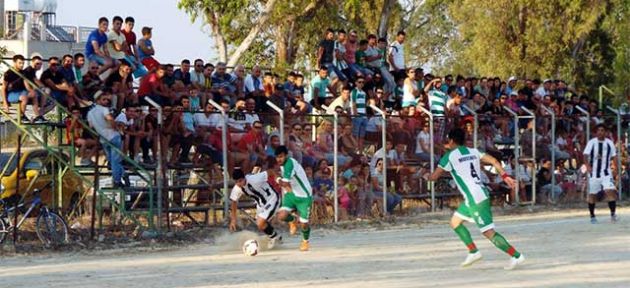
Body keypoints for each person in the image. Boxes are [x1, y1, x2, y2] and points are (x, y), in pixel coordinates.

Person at [427, 128, 525, 270]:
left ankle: (516, 256)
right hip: (477, 194)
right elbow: (494, 161)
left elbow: (434, 177)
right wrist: (505, 176)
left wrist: (425, 177)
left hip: (474, 198)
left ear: (451, 141)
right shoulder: (473, 151)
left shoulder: (449, 157)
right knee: (455, 222)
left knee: (488, 232)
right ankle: (473, 251)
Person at [229, 168, 283, 249]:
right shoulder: (237, 188)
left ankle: (273, 237)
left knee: (260, 223)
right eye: (236, 182)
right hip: (261, 204)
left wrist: (278, 179)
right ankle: (276, 237)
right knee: (261, 224)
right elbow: (233, 202)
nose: (239, 184)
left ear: (244, 178)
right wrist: (233, 219)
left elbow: (271, 171)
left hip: (272, 199)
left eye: (240, 181)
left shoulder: (254, 179)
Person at [275, 145, 313, 251]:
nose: (279, 159)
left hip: (304, 196)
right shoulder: (282, 164)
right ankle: (292, 221)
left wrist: (277, 179)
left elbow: (285, 183)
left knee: (304, 223)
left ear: (286, 156)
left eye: (281, 157)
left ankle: (305, 241)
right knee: (281, 216)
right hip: (291, 194)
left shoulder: (289, 164)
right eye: (277, 157)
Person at [87, 89, 124, 187]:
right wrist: (116, 128)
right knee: (116, 160)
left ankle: (123, 176)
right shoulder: (104, 110)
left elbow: (91, 127)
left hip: (103, 139)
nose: (106, 101)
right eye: (104, 99)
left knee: (112, 161)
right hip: (113, 136)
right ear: (98, 100)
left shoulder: (90, 113)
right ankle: (117, 180)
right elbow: (110, 119)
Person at [583, 124, 619, 223]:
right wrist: (588, 166)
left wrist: (615, 167)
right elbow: (585, 155)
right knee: (592, 195)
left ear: (605, 132)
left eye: (602, 130)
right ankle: (592, 216)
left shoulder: (609, 143)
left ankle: (613, 214)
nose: (600, 132)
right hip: (594, 173)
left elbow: (614, 156)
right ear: (596, 132)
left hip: (606, 173)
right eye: (598, 130)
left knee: (610, 191)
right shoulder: (592, 143)